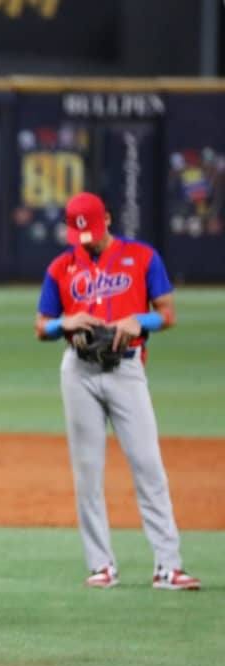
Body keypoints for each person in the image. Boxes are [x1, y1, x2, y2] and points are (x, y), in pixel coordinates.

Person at [35, 191, 200, 591]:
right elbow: (42, 326)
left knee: (148, 466)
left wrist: (138, 321)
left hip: (126, 369)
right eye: (79, 235)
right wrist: (63, 324)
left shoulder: (142, 257)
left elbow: (167, 314)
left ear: (107, 219)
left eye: (91, 232)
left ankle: (168, 567)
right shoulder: (60, 268)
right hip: (79, 372)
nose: (87, 241)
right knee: (87, 472)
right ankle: (101, 565)